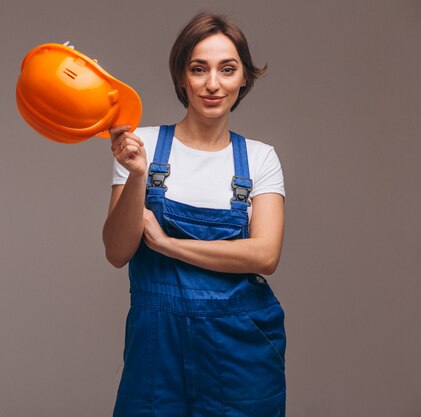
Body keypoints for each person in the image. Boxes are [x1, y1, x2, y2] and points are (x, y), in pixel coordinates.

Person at [103, 12, 286, 417]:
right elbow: (117, 251)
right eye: (198, 69)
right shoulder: (140, 145)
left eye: (228, 69)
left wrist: (169, 245)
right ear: (182, 77)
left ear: (244, 79)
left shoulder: (259, 158)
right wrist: (137, 175)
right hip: (156, 346)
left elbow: (265, 256)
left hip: (241, 348)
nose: (213, 83)